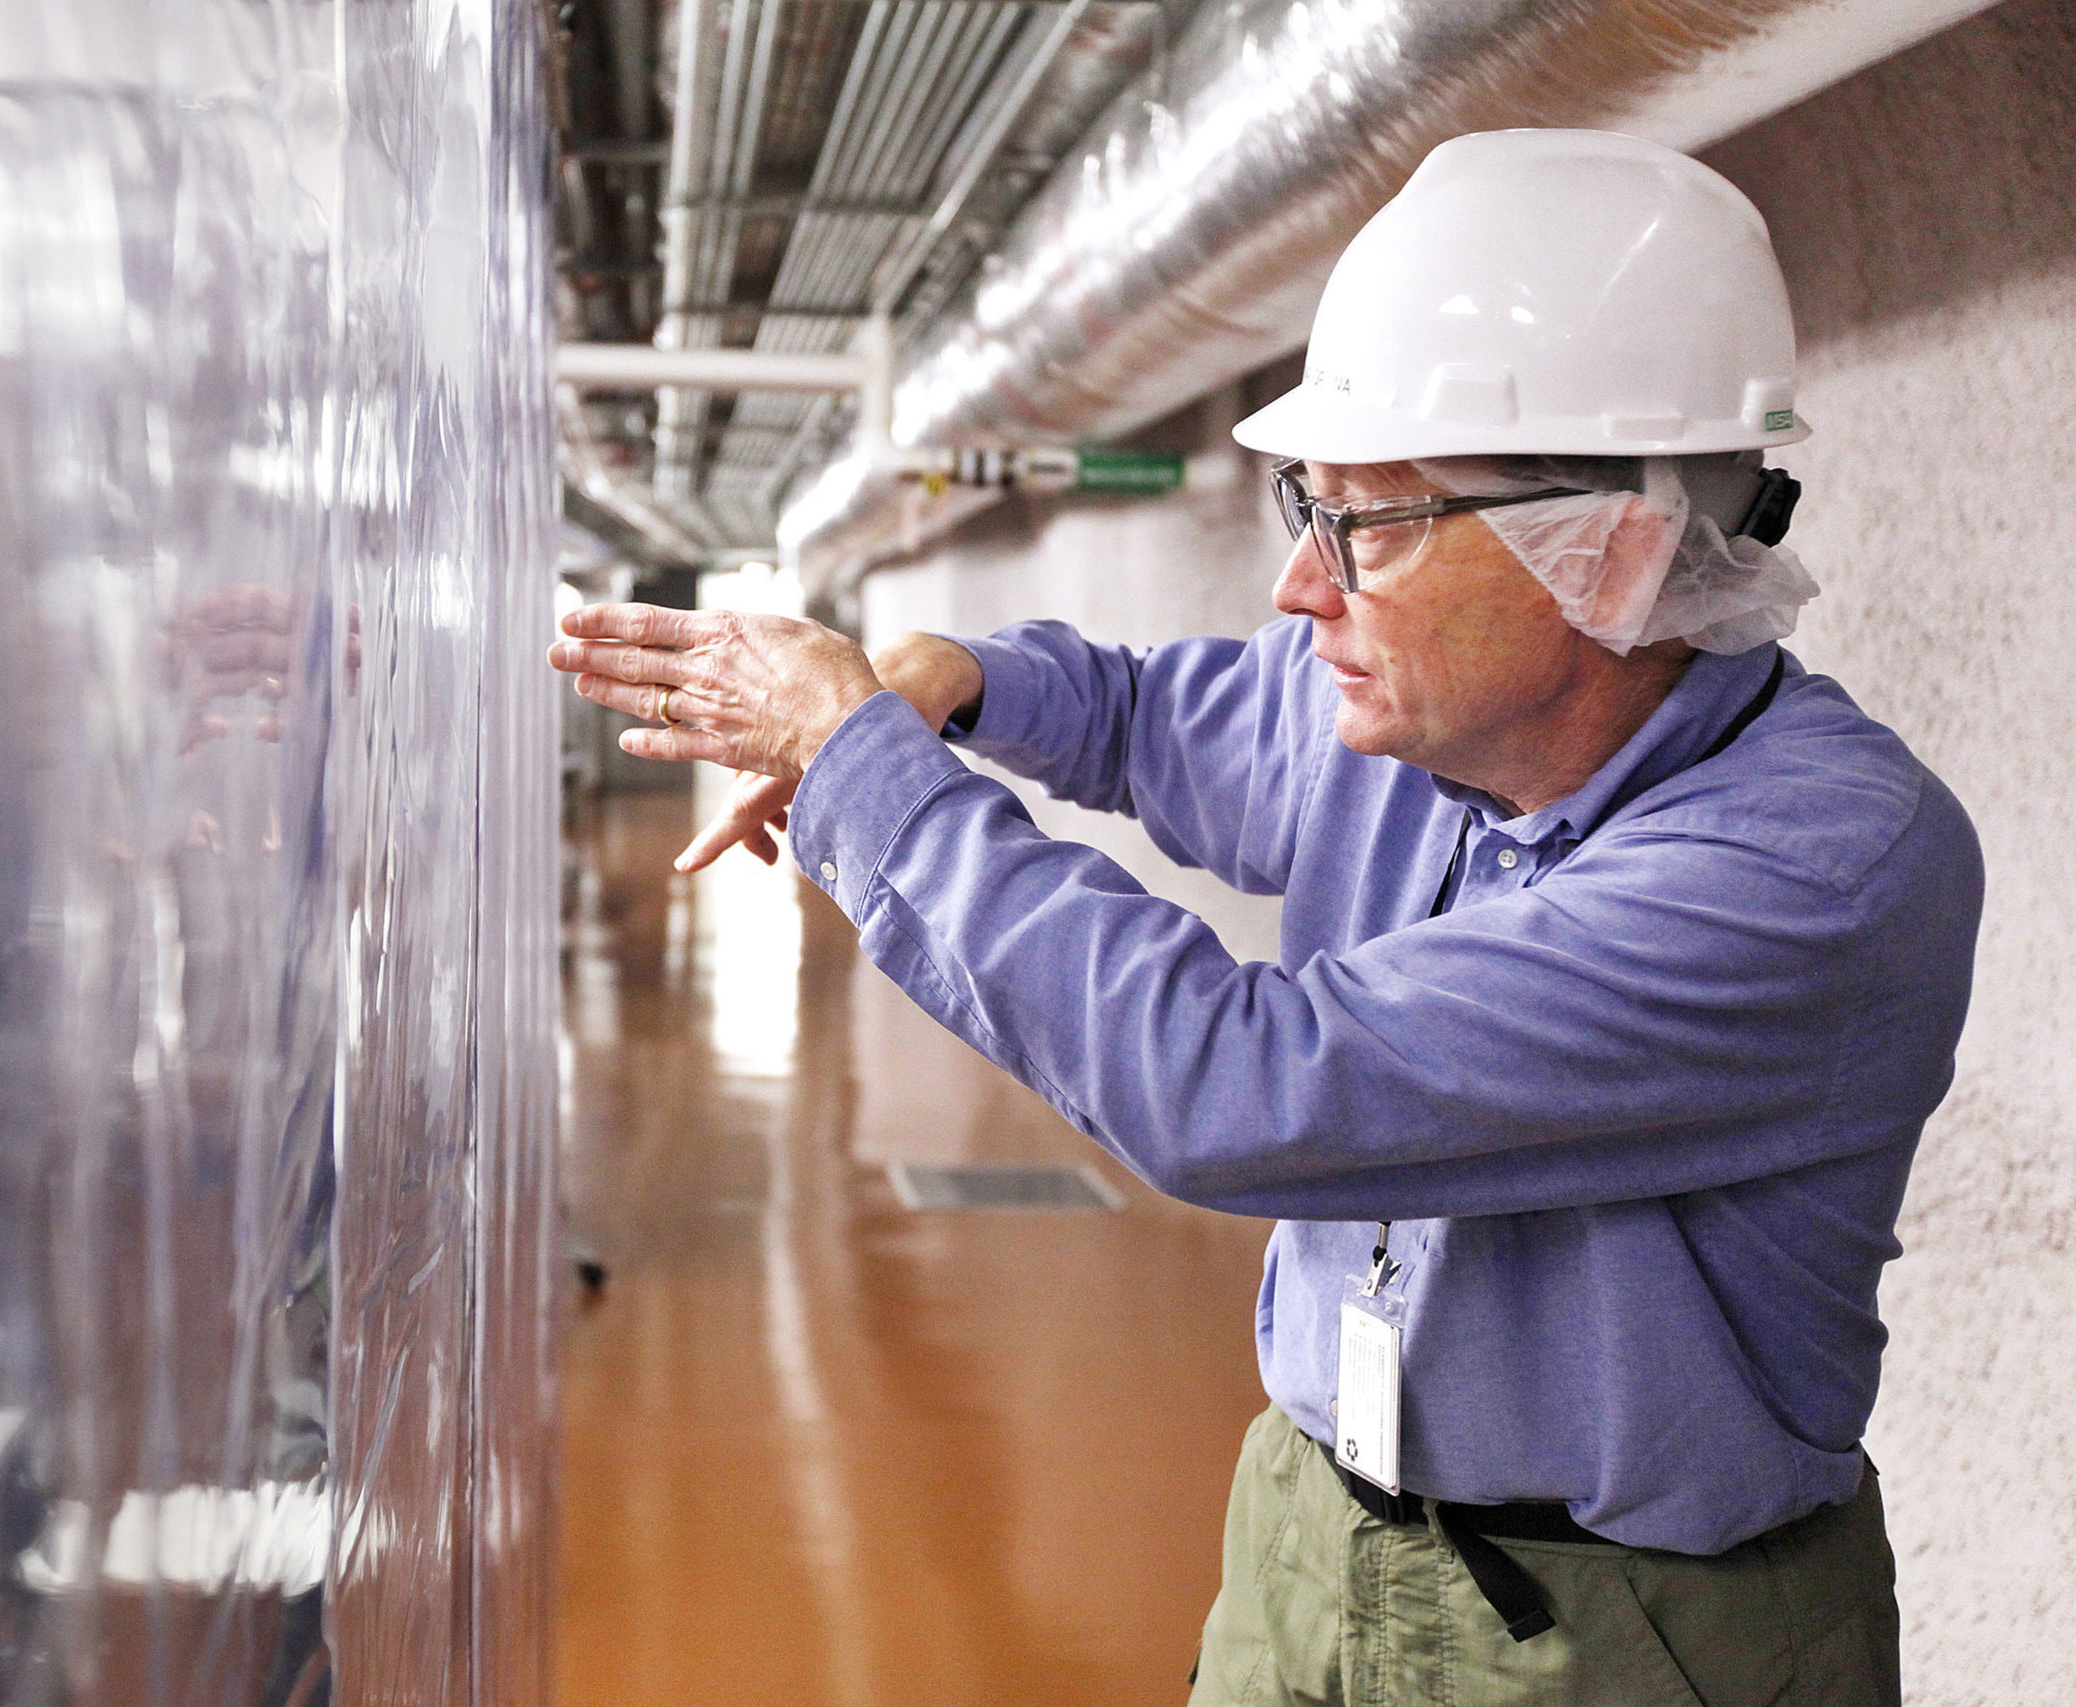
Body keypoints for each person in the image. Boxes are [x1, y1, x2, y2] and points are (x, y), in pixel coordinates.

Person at [547, 129, 1979, 1706]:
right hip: (1311, 1525)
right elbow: (1155, 714)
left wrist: (857, 768)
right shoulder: (1416, 715)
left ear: (1612, 551)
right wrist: (966, 681)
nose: (1305, 586)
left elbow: (1241, 1084)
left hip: (1622, 1631)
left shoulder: (1813, 872)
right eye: (1310, 506)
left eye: (1367, 523)